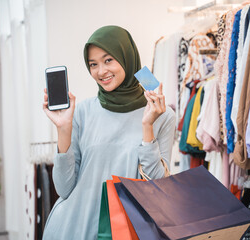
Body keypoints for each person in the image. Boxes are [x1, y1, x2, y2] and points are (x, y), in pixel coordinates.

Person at [42, 25, 175, 239]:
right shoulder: (82, 111)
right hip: (75, 228)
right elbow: (64, 189)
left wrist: (147, 127)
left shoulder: (162, 115)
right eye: (93, 64)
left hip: (127, 230)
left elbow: (157, 188)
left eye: (108, 60)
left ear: (127, 57)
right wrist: (63, 130)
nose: (101, 71)